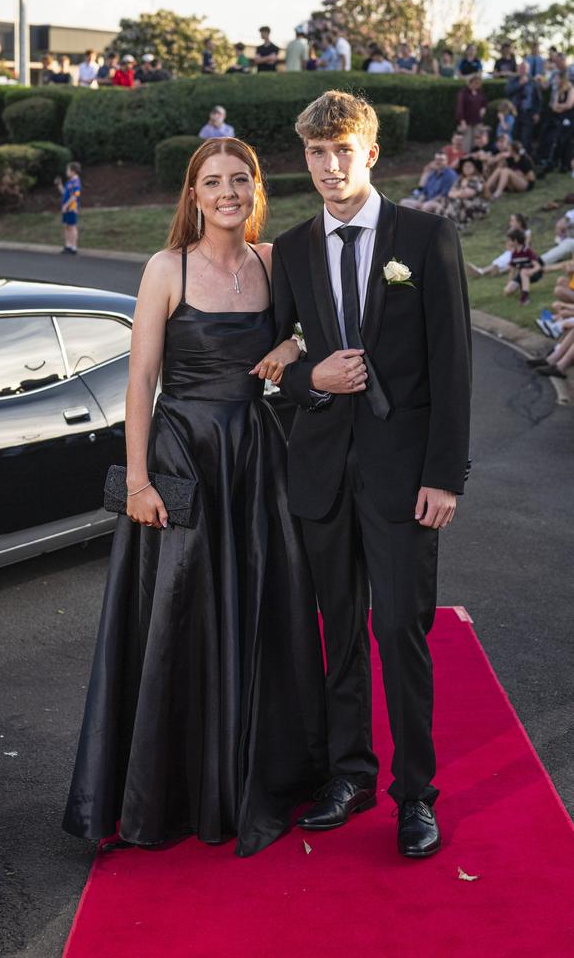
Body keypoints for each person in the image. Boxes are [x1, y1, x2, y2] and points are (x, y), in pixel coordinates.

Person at [63, 137, 327, 857]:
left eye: (240, 179)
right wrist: (140, 479)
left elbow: (317, 331)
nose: (227, 192)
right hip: (184, 462)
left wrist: (294, 349)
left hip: (255, 459)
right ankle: (169, 793)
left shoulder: (275, 262)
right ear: (193, 195)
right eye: (213, 182)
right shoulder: (165, 267)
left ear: (256, 189)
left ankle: (250, 774)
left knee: (261, 612)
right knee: (176, 621)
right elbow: (140, 378)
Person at [271, 90, 471, 858]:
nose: (328, 167)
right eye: (316, 154)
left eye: (341, 151)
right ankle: (350, 776)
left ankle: (415, 795)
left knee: (400, 630)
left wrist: (446, 476)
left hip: (404, 477)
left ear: (371, 153)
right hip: (321, 473)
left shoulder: (424, 239)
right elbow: (273, 361)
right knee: (342, 634)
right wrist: (309, 378)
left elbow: (452, 365)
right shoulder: (289, 249)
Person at [466, 212, 530, 277]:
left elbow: (526, 247)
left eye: (513, 221)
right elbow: (507, 246)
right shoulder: (512, 232)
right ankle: (482, 271)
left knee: (506, 261)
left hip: (520, 254)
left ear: (519, 222)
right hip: (510, 252)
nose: (510, 223)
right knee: (499, 261)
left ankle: (487, 271)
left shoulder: (526, 232)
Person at [442, 157, 489, 230]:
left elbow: (467, 194)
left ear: (475, 168)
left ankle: (452, 226)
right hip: (461, 203)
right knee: (445, 200)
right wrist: (459, 193)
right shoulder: (459, 179)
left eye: (469, 166)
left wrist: (457, 193)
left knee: (455, 201)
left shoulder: (477, 179)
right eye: (465, 166)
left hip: (475, 206)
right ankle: (446, 224)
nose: (467, 168)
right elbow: (449, 193)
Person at [506, 62, 542, 152]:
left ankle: (525, 158)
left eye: (524, 68)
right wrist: (519, 84)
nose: (522, 70)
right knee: (515, 135)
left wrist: (537, 112)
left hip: (528, 113)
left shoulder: (532, 81)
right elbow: (507, 91)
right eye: (521, 68)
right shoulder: (513, 80)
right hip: (515, 112)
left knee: (526, 137)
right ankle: (514, 156)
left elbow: (538, 99)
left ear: (528, 70)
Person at [503, 228, 543, 304]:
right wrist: (509, 283)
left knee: (523, 271)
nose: (508, 243)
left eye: (509, 240)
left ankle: (525, 297)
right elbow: (512, 270)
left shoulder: (527, 251)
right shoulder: (514, 254)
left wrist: (531, 271)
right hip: (522, 275)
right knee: (507, 291)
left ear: (515, 241)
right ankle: (522, 285)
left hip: (534, 274)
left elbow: (538, 267)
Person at [55, 161, 81, 255]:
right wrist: (59, 185)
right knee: (66, 226)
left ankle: (74, 247)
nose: (66, 172)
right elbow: (64, 193)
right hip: (66, 208)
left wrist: (66, 205)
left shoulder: (76, 182)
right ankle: (68, 246)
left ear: (73, 171)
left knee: (72, 226)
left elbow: (75, 196)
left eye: (68, 170)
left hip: (72, 208)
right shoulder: (69, 182)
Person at [456, 74, 487, 151]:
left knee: (476, 141)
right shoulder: (463, 93)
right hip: (467, 121)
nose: (477, 85)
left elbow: (484, 103)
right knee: (466, 142)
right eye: (475, 83)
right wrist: (462, 121)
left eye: (479, 83)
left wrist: (483, 109)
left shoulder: (480, 93)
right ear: (470, 83)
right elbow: (460, 108)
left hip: (477, 121)